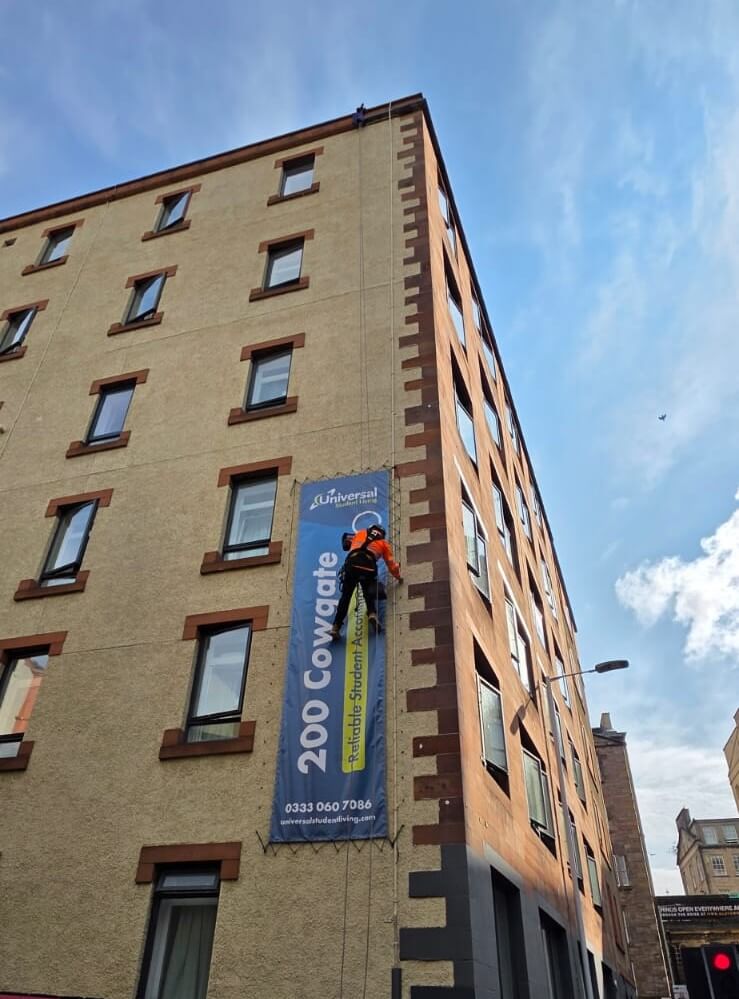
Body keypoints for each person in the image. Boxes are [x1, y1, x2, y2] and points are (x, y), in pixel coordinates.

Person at [330, 524, 401, 639]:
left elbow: (346, 542)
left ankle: (336, 627)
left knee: (346, 597)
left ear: (370, 529)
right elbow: (391, 565)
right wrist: (398, 577)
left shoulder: (360, 533)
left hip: (352, 564)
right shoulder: (383, 543)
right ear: (382, 534)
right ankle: (372, 614)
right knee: (368, 592)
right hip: (368, 566)